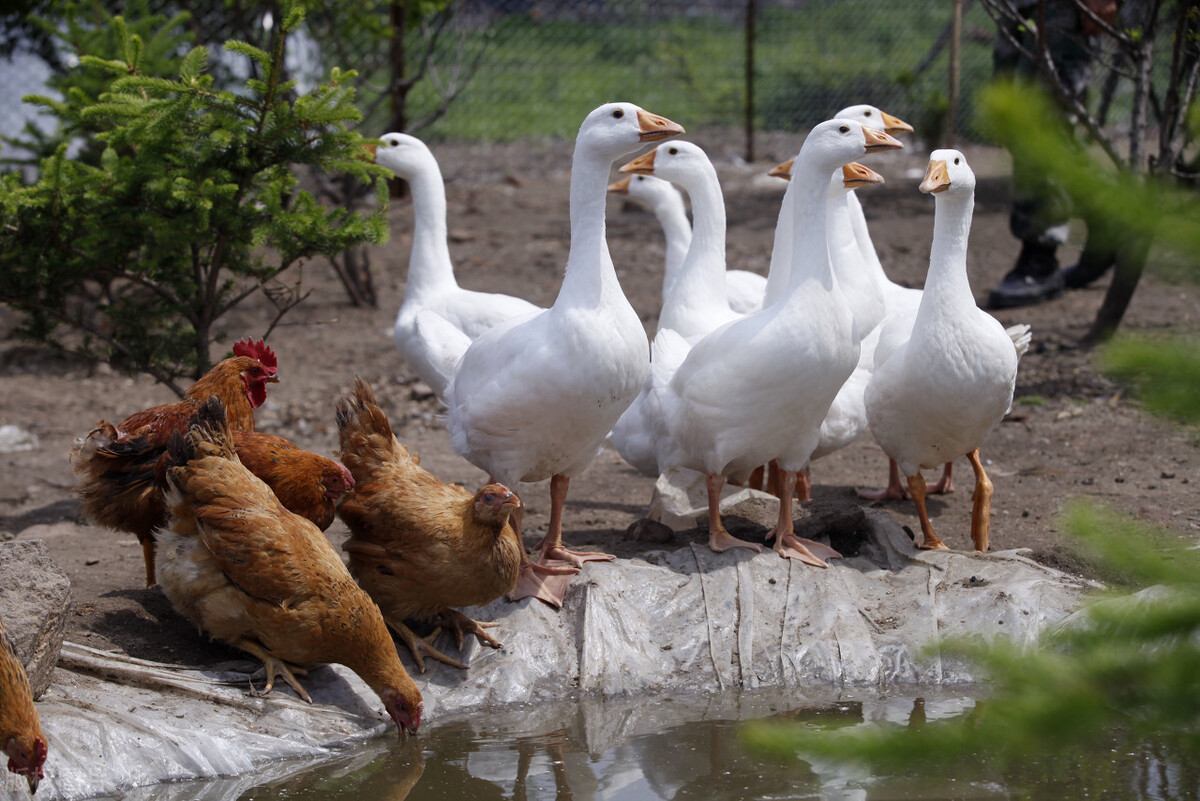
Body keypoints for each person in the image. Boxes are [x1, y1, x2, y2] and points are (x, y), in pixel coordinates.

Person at [987, 0, 1119, 309]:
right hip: (1014, 7)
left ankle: (1040, 257)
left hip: (1063, 8)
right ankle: (1110, 215)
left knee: (1041, 124)